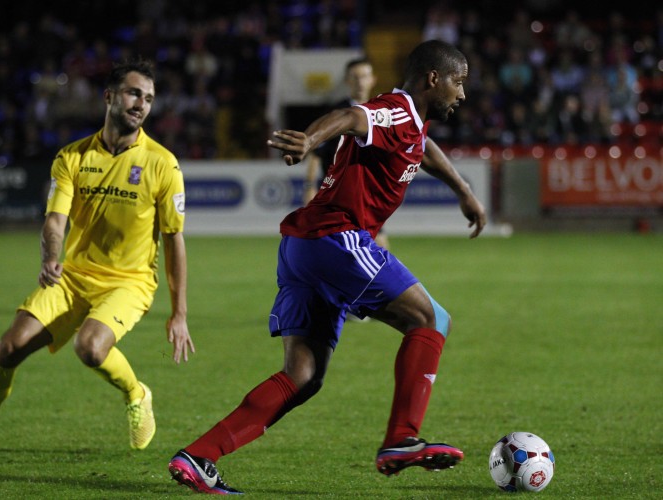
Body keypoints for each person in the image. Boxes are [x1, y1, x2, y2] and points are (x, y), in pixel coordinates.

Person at [167, 40, 486, 494]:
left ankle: (199, 456)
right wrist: (310, 138)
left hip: (302, 247)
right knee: (431, 318)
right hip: (335, 238)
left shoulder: (411, 124)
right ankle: (401, 438)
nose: (463, 93)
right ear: (433, 78)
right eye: (459, 81)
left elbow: (424, 147)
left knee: (304, 376)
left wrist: (462, 190)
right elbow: (352, 117)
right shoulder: (394, 108)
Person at [0, 59, 195, 459]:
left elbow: (174, 240)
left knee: (90, 347)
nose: (142, 104)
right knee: (8, 348)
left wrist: (180, 313)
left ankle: (137, 394)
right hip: (73, 277)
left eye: (149, 98)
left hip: (128, 282)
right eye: (134, 93)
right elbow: (54, 222)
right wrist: (51, 257)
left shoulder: (162, 163)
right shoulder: (72, 157)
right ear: (109, 97)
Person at [303, 57, 390, 251]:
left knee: (381, 251)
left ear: (373, 79)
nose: (360, 82)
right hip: (338, 195)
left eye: (364, 76)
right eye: (355, 77)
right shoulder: (337, 113)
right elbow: (316, 152)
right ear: (347, 81)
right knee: (343, 251)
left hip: (368, 196)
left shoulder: (382, 112)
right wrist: (310, 186)